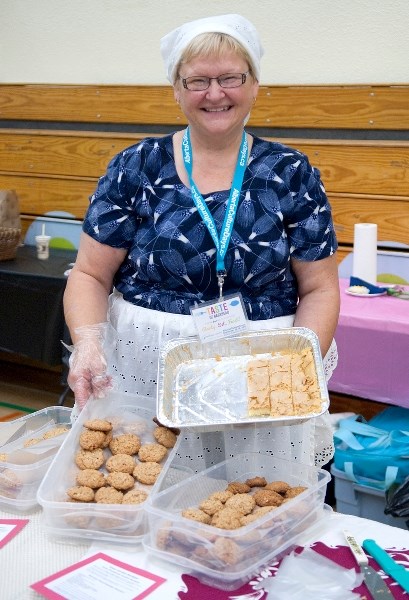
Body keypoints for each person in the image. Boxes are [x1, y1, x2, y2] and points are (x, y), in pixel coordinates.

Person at [64, 13, 340, 466]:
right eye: (197, 81)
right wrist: (89, 344)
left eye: (231, 77)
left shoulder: (291, 174)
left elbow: (321, 288)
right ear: (176, 90)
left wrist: (292, 370)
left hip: (260, 371)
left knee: (256, 498)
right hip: (145, 366)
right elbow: (91, 275)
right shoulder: (137, 166)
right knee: (143, 491)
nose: (215, 93)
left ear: (254, 85)